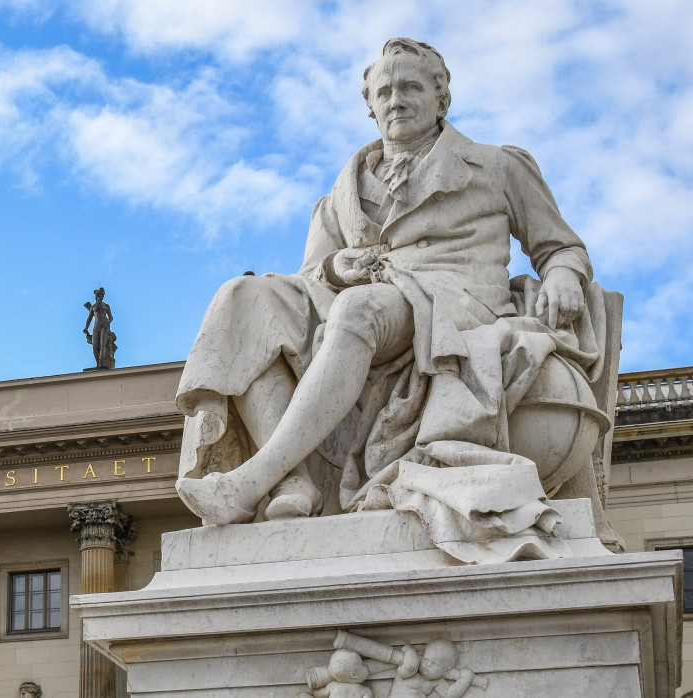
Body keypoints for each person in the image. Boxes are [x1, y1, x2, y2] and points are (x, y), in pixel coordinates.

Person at [175, 38, 611, 563]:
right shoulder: (342, 192)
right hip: (367, 299)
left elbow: (559, 244)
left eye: (410, 87)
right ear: (370, 106)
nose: (396, 100)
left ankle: (250, 479)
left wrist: (564, 273)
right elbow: (313, 270)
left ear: (440, 98)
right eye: (384, 91)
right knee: (245, 300)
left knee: (357, 310)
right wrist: (337, 267)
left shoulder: (497, 167)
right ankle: (291, 480)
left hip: (453, 304)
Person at [83, 287, 116, 369]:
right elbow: (89, 318)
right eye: (98, 294)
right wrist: (86, 327)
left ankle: (101, 364)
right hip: (96, 326)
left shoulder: (106, 306)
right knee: (94, 345)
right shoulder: (93, 307)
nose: (99, 296)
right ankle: (97, 363)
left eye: (101, 294)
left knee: (102, 344)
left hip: (104, 326)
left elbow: (111, 317)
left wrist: (108, 322)